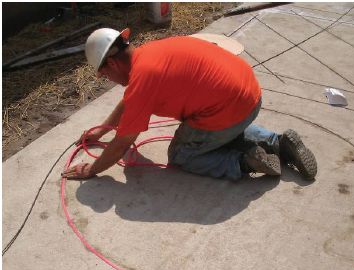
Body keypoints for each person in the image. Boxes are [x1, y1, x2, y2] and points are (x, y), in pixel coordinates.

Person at [61, 28, 317, 181]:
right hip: (250, 96)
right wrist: (102, 130)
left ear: (113, 64)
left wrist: (92, 169)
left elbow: (123, 142)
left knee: (182, 154)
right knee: (214, 130)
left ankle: (245, 163)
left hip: (226, 111)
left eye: (105, 75)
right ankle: (278, 142)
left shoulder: (142, 78)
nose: (110, 81)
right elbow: (129, 102)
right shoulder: (150, 54)